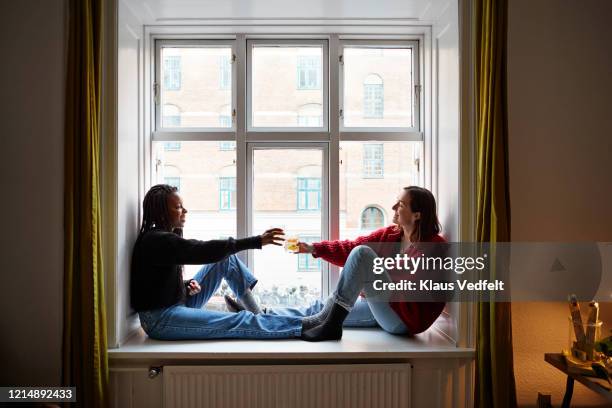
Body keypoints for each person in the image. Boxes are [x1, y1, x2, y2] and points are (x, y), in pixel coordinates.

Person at [225, 186, 447, 342]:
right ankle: (258, 314)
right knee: (319, 308)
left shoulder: (434, 248)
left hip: (402, 321)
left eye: (400, 204)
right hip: (382, 309)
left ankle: (330, 324)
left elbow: (416, 294)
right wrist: (313, 249)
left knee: (363, 255)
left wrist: (372, 281)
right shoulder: (392, 235)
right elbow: (350, 249)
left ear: (417, 214)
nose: (393, 207)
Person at [131, 184, 316, 340]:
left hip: (176, 305)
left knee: (226, 261)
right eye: (178, 207)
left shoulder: (161, 238)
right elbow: (201, 250)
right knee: (239, 321)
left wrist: (186, 286)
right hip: (160, 319)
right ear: (162, 212)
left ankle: (258, 313)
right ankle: (307, 327)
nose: (185, 211)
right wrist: (255, 241)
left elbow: (155, 283)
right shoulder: (156, 240)